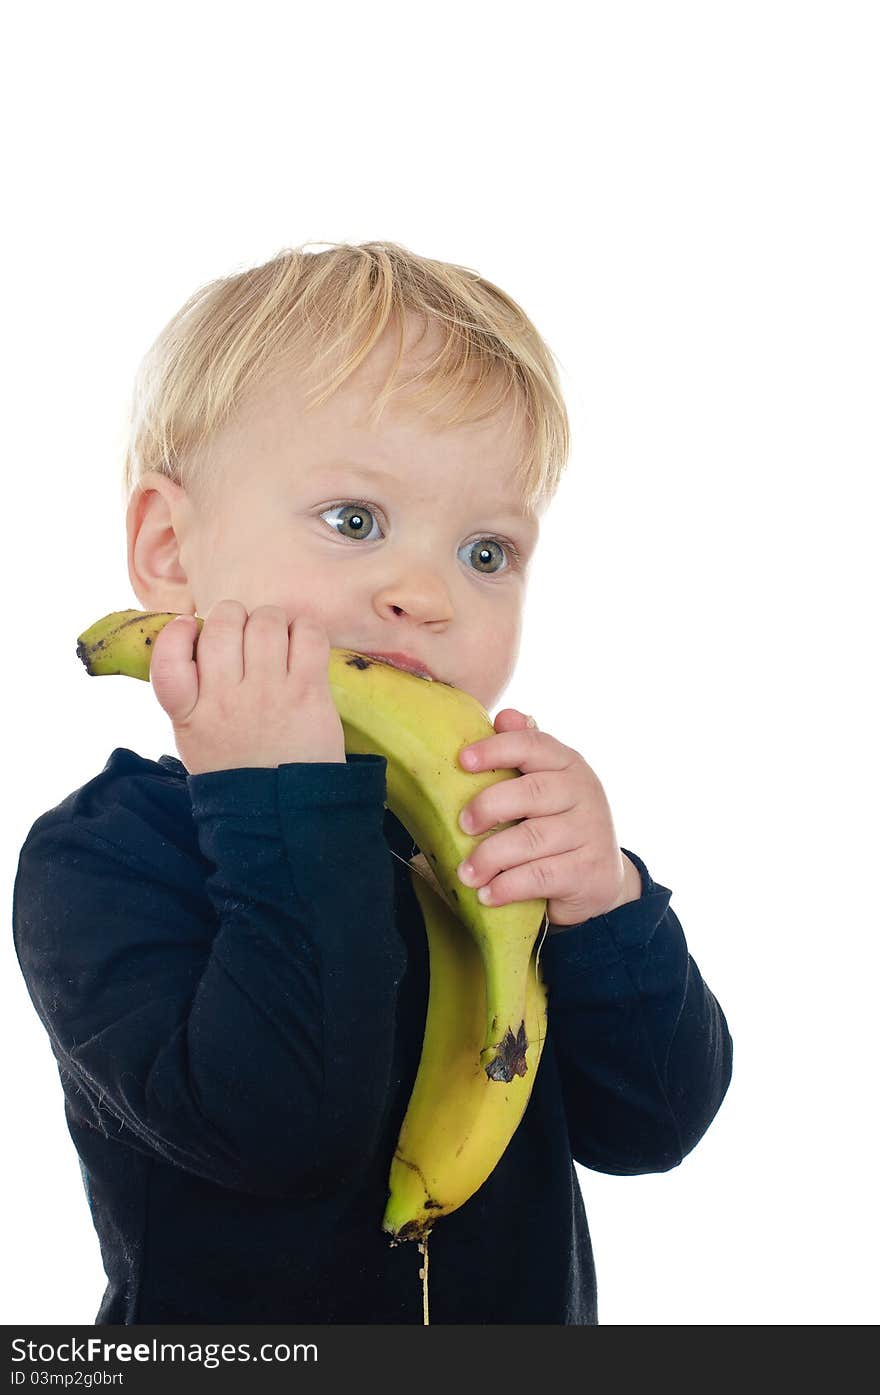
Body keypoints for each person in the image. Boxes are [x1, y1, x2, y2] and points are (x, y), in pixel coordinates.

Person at [12, 240, 733, 1324]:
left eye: (486, 552)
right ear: (169, 547)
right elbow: (279, 1135)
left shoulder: (489, 833)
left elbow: (652, 1126)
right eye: (355, 522)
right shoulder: (102, 853)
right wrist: (278, 802)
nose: (427, 595)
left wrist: (605, 910)